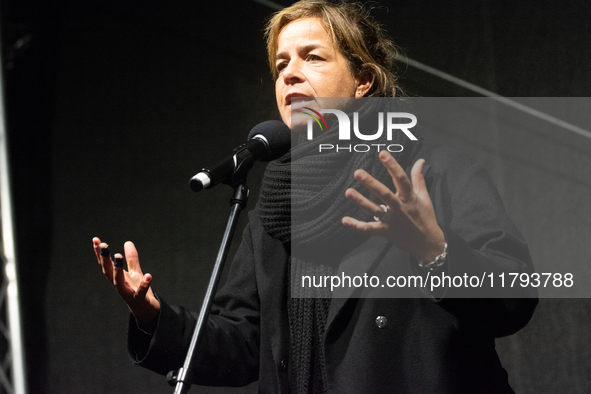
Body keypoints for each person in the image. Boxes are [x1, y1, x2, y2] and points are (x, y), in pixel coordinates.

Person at [93, 1, 537, 392]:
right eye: (281, 64)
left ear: (362, 80)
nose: (290, 73)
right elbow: (245, 344)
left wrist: (435, 251)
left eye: (313, 57)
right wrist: (153, 318)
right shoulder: (274, 211)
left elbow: (514, 297)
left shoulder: (433, 173)